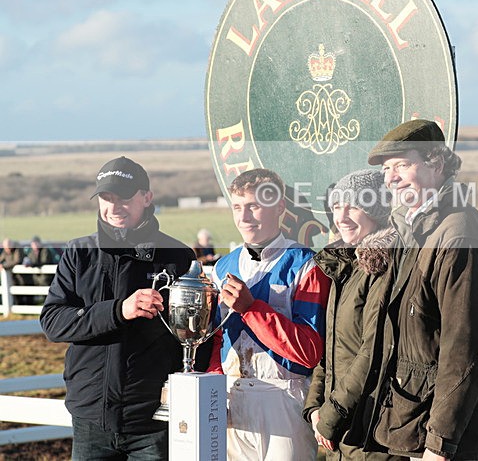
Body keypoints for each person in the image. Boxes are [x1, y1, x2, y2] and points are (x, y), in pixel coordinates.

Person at [364, 119, 478, 460]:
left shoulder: (460, 237)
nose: (391, 178)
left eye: (402, 165)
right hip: (413, 422)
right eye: (386, 169)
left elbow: (466, 348)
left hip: (441, 439)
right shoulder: (416, 230)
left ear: (437, 164)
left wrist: (440, 444)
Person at [39, 156, 196, 460]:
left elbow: (193, 337)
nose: (114, 206)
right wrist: (118, 311)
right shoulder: (78, 253)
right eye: (106, 197)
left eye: (124, 197)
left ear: (147, 197)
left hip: (154, 420)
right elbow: (53, 322)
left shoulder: (178, 256)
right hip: (91, 418)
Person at [207, 168, 331, 460]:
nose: (244, 217)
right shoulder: (222, 267)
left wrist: (251, 309)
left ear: (279, 207)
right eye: (237, 207)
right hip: (231, 394)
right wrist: (213, 388)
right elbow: (215, 339)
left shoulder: (306, 265)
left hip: (284, 396)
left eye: (254, 206)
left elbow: (309, 351)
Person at [303, 169, 403, 460]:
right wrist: (315, 406)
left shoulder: (382, 268)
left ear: (377, 211)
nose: (341, 217)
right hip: (341, 430)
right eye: (337, 207)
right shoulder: (345, 268)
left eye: (353, 206)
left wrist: (331, 416)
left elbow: (372, 351)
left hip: (371, 431)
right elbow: (331, 349)